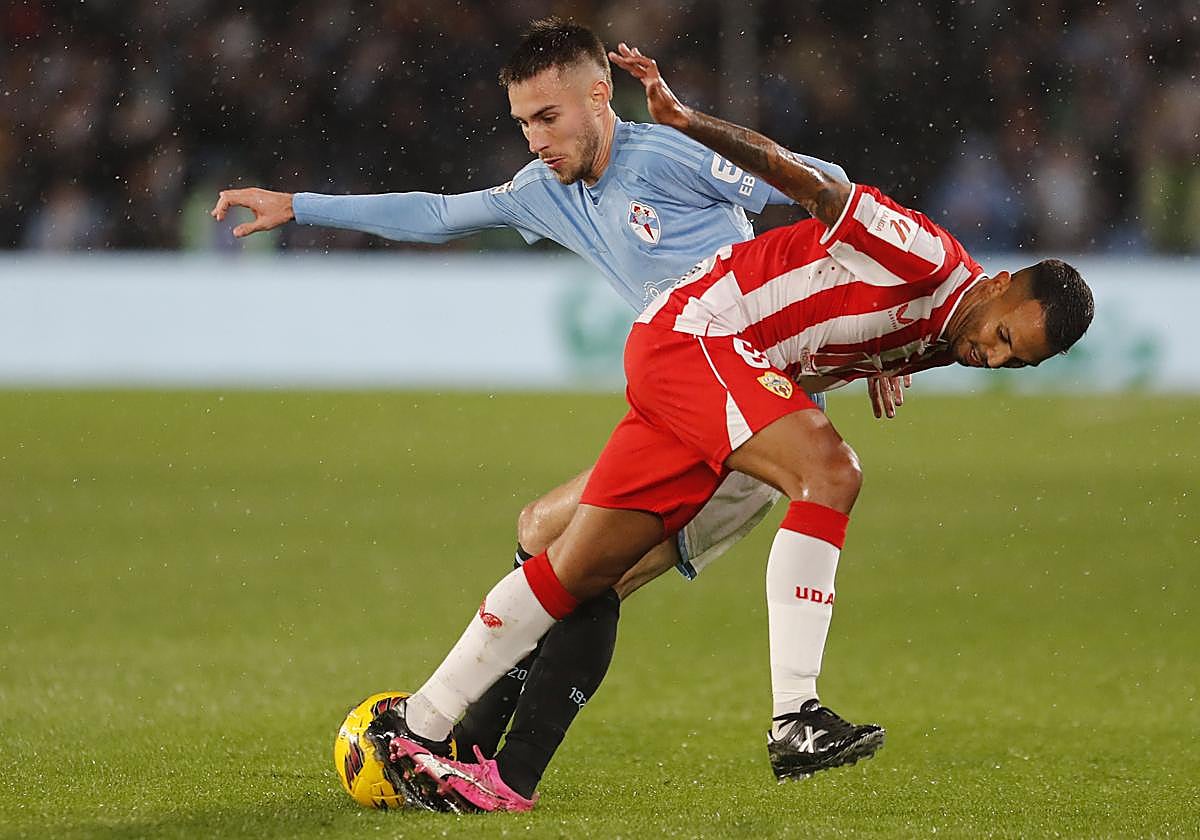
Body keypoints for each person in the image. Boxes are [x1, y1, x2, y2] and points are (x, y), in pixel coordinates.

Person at [363, 42, 1095, 813]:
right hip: (702, 336)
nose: (991, 358)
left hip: (701, 366)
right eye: (1005, 338)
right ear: (1003, 283)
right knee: (832, 469)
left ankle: (432, 730)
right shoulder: (924, 255)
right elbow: (808, 180)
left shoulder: (949, 328)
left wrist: (887, 352)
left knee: (576, 568)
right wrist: (687, 121)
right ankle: (796, 715)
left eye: (1016, 364)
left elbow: (871, 322)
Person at [212, 18, 905, 805]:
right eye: (522, 123)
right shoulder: (546, 191)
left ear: (600, 97)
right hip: (686, 410)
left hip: (753, 427)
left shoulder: (666, 155)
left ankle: (499, 768)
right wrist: (299, 206)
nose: (536, 140)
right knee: (545, 536)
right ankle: (470, 748)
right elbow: (437, 214)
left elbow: (821, 181)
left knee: (579, 568)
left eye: (549, 118)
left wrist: (878, 331)